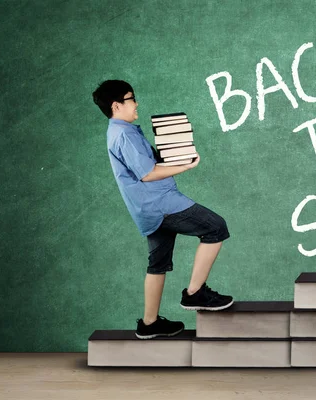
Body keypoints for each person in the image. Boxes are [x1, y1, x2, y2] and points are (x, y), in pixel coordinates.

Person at [92, 79, 233, 340]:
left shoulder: (122, 131)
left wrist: (174, 149)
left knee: (157, 264)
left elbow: (147, 163)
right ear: (116, 105)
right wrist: (187, 165)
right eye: (131, 98)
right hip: (161, 203)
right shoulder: (123, 134)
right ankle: (194, 293)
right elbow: (147, 174)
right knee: (216, 228)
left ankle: (149, 323)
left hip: (146, 209)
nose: (136, 103)